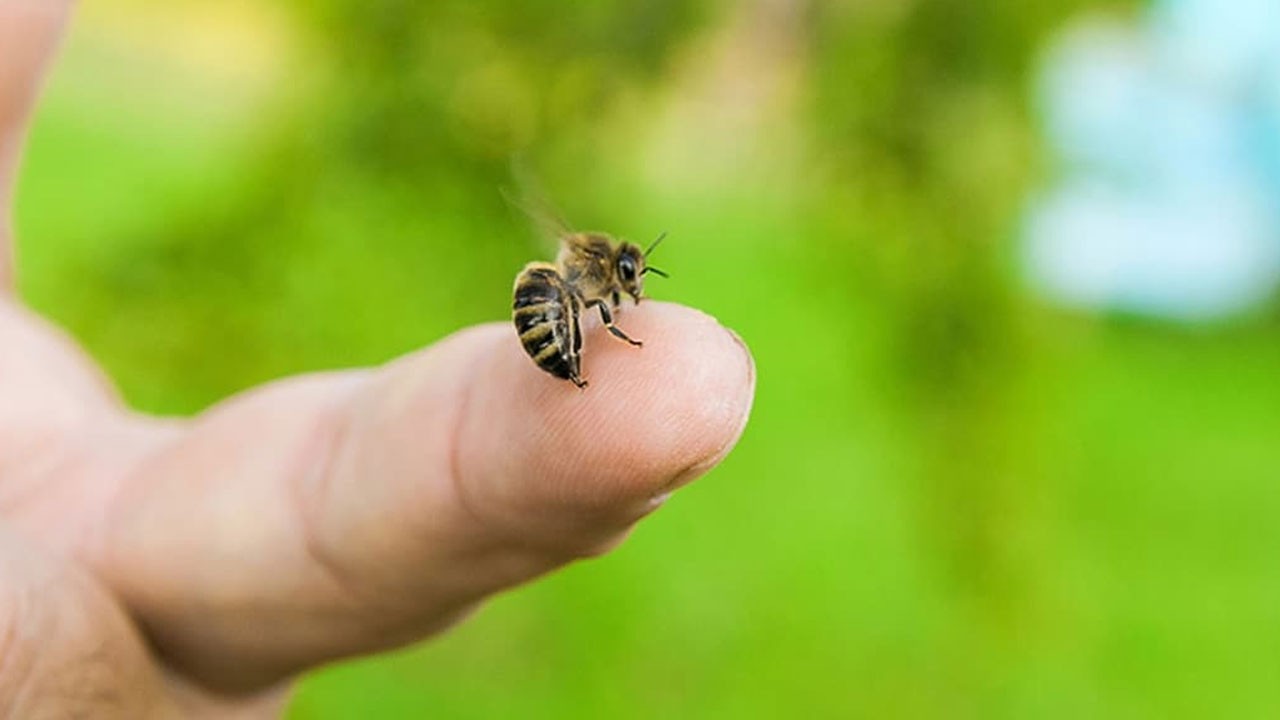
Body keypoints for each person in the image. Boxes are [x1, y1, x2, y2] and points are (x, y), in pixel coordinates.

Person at [0, 3, 755, 716]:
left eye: (628, 284)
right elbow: (581, 296)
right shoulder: (582, 275)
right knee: (576, 332)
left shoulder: (592, 274)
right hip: (546, 304)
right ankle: (572, 364)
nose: (630, 288)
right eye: (628, 279)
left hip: (547, 309)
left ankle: (572, 366)